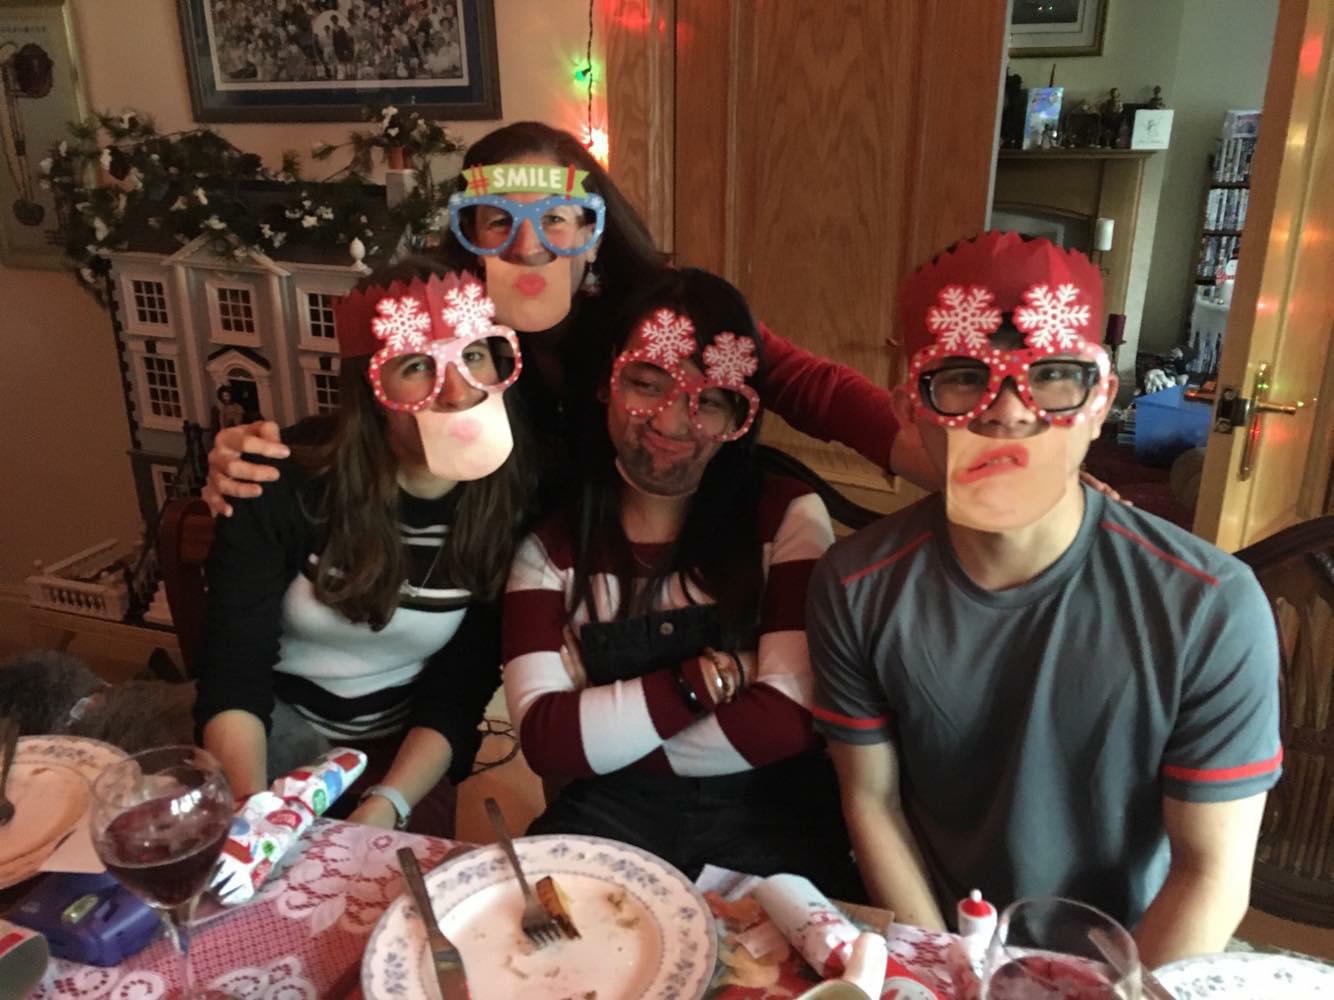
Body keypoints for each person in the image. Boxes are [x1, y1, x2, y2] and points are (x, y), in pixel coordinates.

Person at [806, 231, 1282, 967]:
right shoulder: (855, 586)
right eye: (961, 377)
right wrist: (949, 973)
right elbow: (872, 801)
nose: (1008, 411)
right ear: (910, 409)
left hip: (1134, 957)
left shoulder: (1211, 608)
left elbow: (1210, 872)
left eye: (1053, 375)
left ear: (1100, 403)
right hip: (941, 940)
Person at [201, 121, 938, 515]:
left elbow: (803, 381)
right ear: (466, 233)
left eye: (556, 218)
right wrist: (262, 456)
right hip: (528, 558)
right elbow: (374, 407)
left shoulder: (659, 307)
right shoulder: (448, 324)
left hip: (659, 532)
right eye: (498, 222)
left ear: (593, 228)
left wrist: (918, 453)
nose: (529, 246)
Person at [503, 267, 861, 897]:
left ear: (739, 415)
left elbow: (785, 721)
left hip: (771, 818)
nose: (672, 423)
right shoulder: (547, 548)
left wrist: (597, 737)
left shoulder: (788, 516)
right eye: (648, 383)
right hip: (605, 818)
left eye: (712, 401)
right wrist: (719, 677)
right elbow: (543, 742)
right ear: (605, 383)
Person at [194, 259, 536, 836]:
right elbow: (233, 672)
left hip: (402, 756)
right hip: (270, 738)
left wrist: (383, 806)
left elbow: (460, 689)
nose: (456, 391)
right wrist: (255, 821)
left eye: (474, 355)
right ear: (371, 391)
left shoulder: (511, 504)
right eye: (417, 364)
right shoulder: (279, 481)